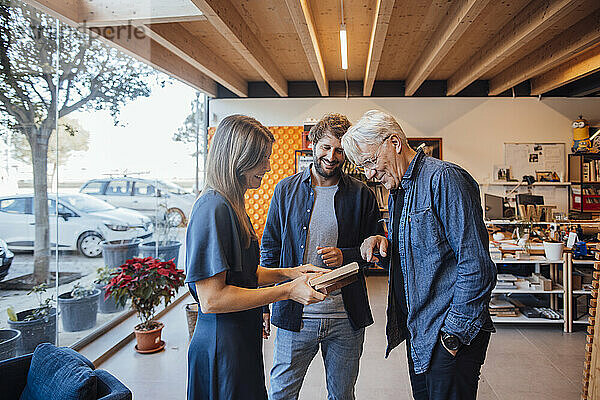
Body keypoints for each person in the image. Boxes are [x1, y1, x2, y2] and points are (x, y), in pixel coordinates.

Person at [342, 110, 497, 400]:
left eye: (371, 161)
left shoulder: (444, 179)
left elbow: (476, 265)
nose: (370, 174)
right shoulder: (401, 189)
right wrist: (383, 247)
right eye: (363, 167)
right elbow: (420, 257)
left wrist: (453, 335)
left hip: (447, 333)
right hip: (421, 330)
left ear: (395, 143)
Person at [185, 115, 328, 400]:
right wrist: (287, 291)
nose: (268, 166)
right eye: (261, 158)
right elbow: (213, 299)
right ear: (239, 157)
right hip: (221, 345)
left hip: (240, 339)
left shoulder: (231, 204)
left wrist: (293, 272)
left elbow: (246, 274)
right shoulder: (213, 208)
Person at [261, 113, 384, 400]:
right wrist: (264, 303)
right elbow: (270, 249)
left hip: (345, 318)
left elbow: (374, 252)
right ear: (312, 143)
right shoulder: (285, 191)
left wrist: (347, 255)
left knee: (342, 396)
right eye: (326, 147)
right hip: (295, 315)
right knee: (280, 394)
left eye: (340, 150)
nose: (332, 156)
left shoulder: (362, 194)